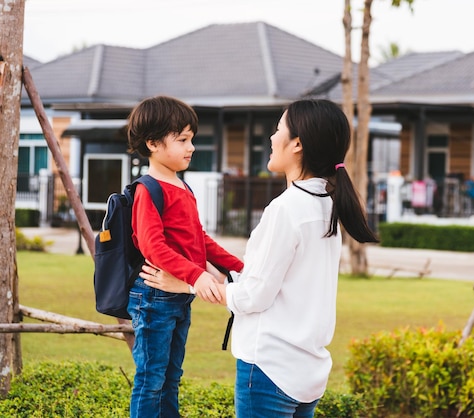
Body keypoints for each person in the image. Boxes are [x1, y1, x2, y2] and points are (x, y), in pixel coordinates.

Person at [141, 98, 378, 418]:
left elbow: (253, 296)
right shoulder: (326, 204)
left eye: (278, 129)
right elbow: (276, 283)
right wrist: (226, 275)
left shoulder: (287, 209)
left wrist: (188, 285)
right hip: (308, 372)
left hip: (271, 369)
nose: (271, 137)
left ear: (296, 144)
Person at [126, 95, 244, 418]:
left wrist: (240, 266)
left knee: (171, 377)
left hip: (178, 297)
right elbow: (153, 247)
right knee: (151, 379)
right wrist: (197, 275)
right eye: (182, 140)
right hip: (153, 298)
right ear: (152, 143)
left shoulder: (183, 188)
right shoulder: (148, 190)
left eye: (191, 139)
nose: (191, 147)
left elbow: (199, 241)